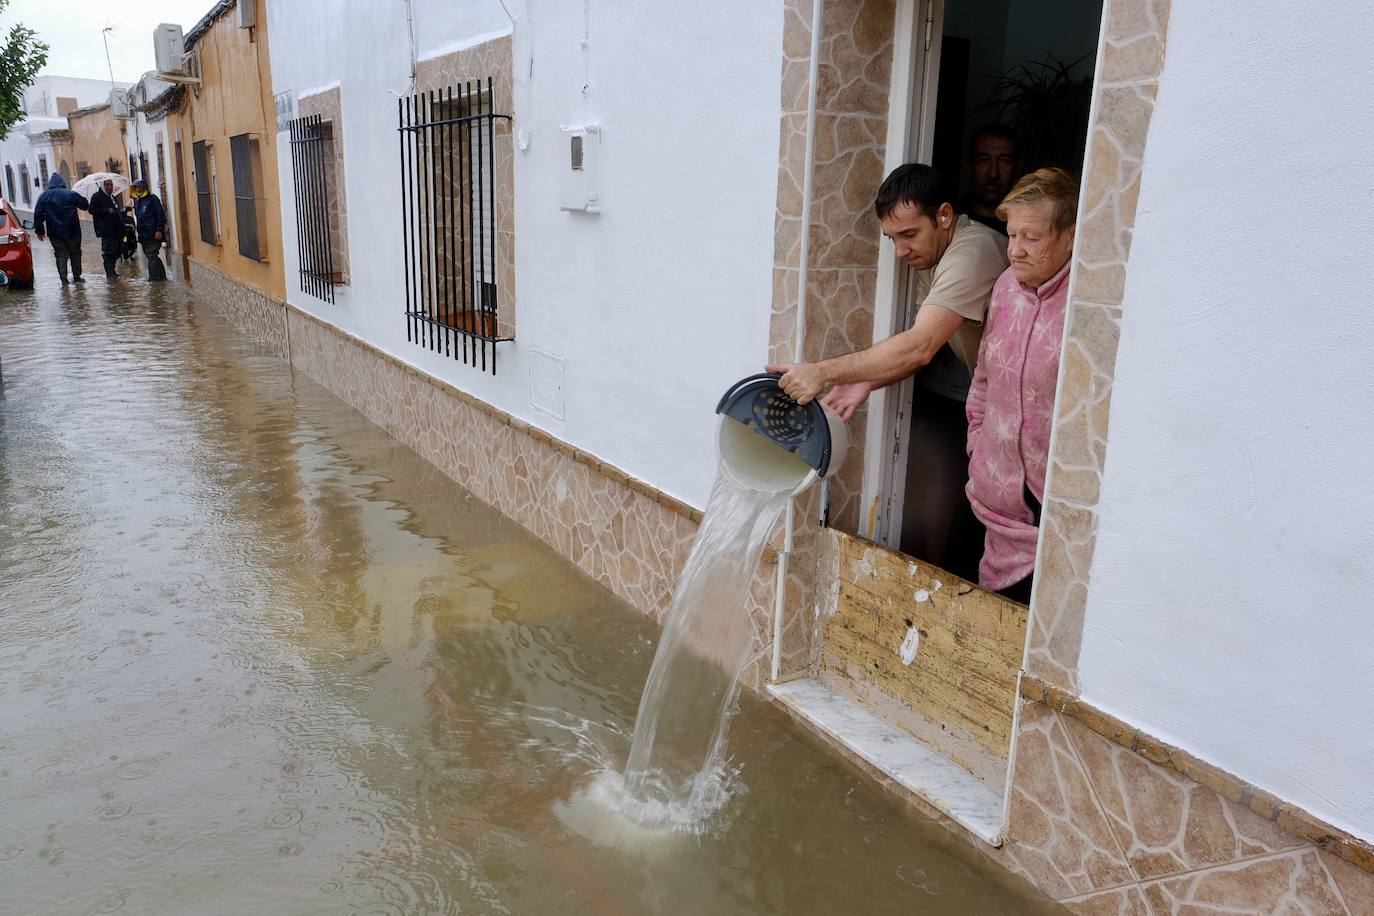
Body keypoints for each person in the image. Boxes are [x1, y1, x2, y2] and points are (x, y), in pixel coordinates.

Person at [767, 164, 1007, 579]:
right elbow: (921, 345)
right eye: (891, 239)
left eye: (909, 234)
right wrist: (865, 381)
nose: (900, 251)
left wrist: (824, 373)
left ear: (945, 217)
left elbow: (919, 346)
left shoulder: (972, 253)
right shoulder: (937, 254)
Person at [965, 168, 1079, 604]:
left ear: (1069, 236)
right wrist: (978, 445)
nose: (1014, 251)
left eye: (1031, 238)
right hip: (994, 501)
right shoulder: (1006, 288)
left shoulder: (1085, 305)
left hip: (1047, 513)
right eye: (1011, 235)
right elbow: (984, 377)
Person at [958, 124, 1020, 236]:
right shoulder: (953, 220)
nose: (993, 174)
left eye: (1004, 161)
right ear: (969, 166)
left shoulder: (1025, 224)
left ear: (1017, 168)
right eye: (984, 160)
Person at [32, 172, 90, 285]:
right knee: (75, 253)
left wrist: (39, 231)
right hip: (72, 230)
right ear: (62, 183)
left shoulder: (43, 196)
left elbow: (38, 214)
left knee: (60, 254)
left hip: (55, 232)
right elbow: (85, 206)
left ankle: (64, 280)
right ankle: (77, 277)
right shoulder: (70, 194)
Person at [131, 179, 168, 282]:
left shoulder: (153, 200)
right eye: (136, 188)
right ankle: (162, 277)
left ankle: (154, 279)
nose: (138, 189)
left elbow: (160, 216)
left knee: (152, 255)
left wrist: (159, 230)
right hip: (144, 235)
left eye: (140, 187)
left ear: (145, 188)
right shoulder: (138, 202)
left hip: (153, 234)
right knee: (152, 256)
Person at [90, 178, 123, 280]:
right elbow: (91, 210)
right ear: (103, 186)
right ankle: (110, 274)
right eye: (107, 185)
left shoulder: (112, 197)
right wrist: (106, 210)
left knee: (116, 251)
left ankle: (112, 271)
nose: (110, 187)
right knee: (108, 252)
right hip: (106, 229)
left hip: (116, 229)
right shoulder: (97, 197)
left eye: (111, 185)